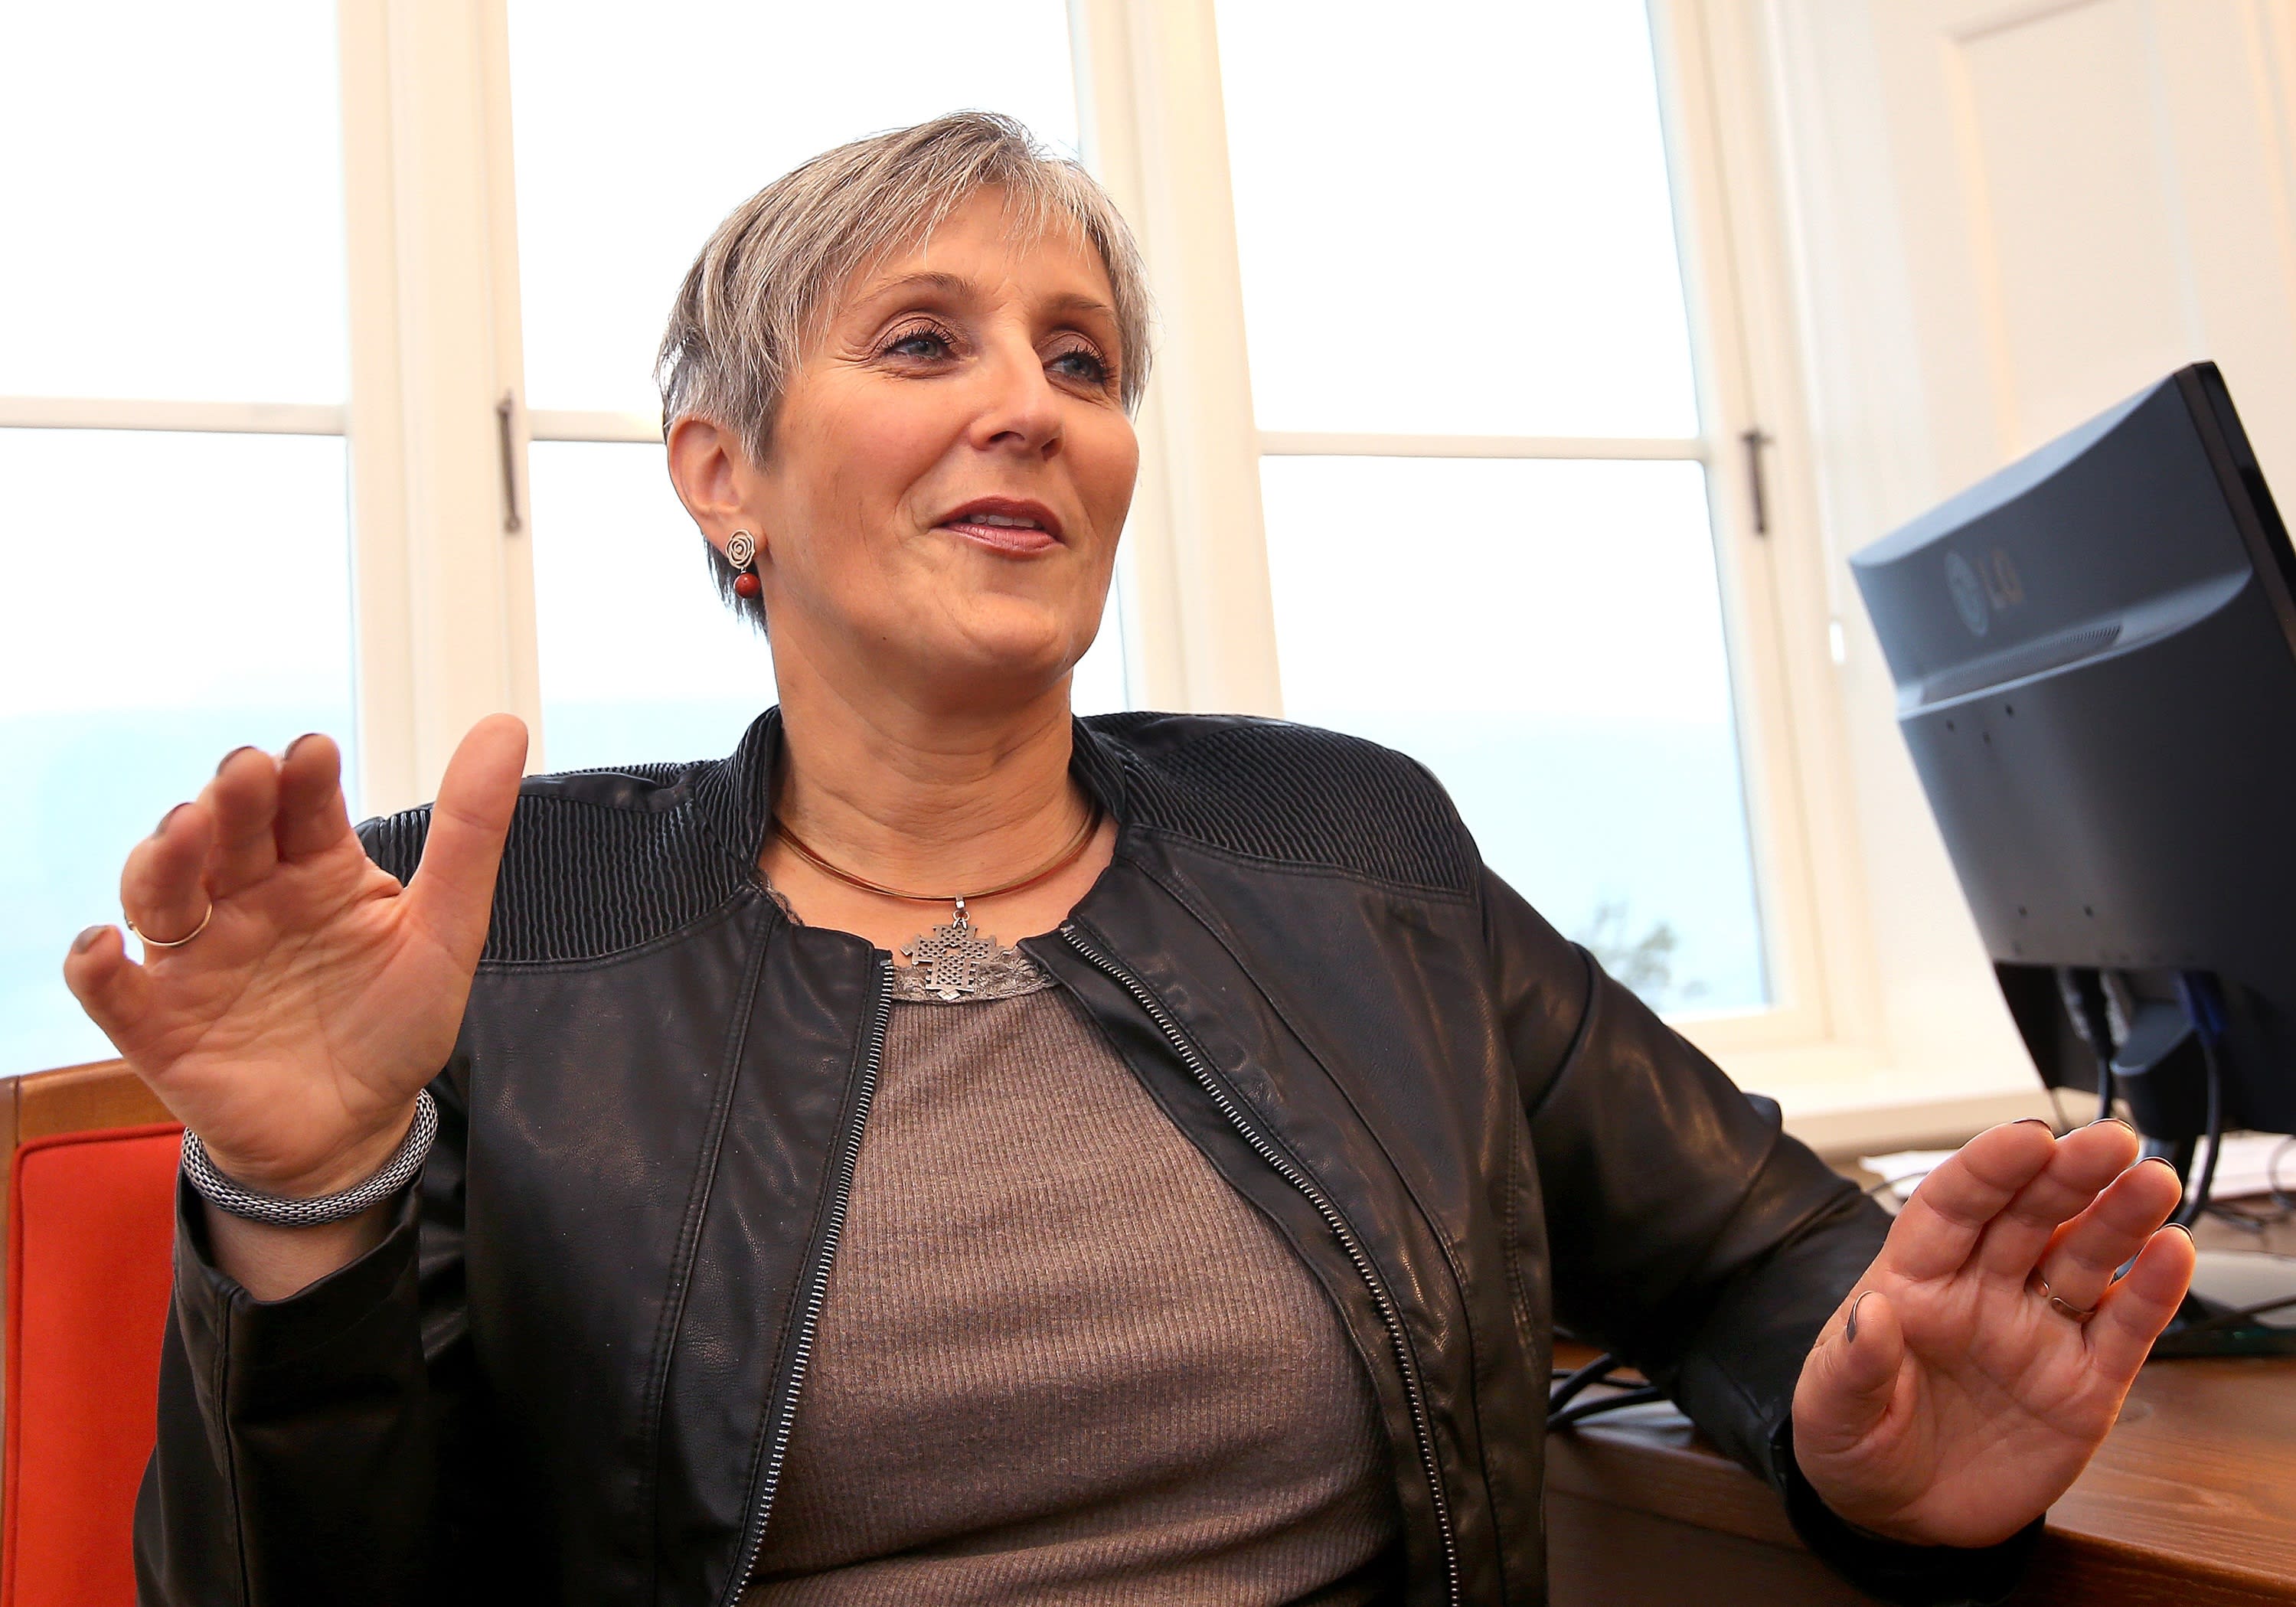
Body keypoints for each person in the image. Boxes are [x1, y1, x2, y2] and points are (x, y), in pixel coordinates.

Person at [68, 113, 2195, 1607]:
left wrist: (1866, 1447)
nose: (1034, 406)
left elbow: (1759, 1260)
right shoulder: (496, 937)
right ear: (724, 476)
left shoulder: (1350, 848)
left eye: (1079, 360)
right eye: (926, 341)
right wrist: (299, 1200)